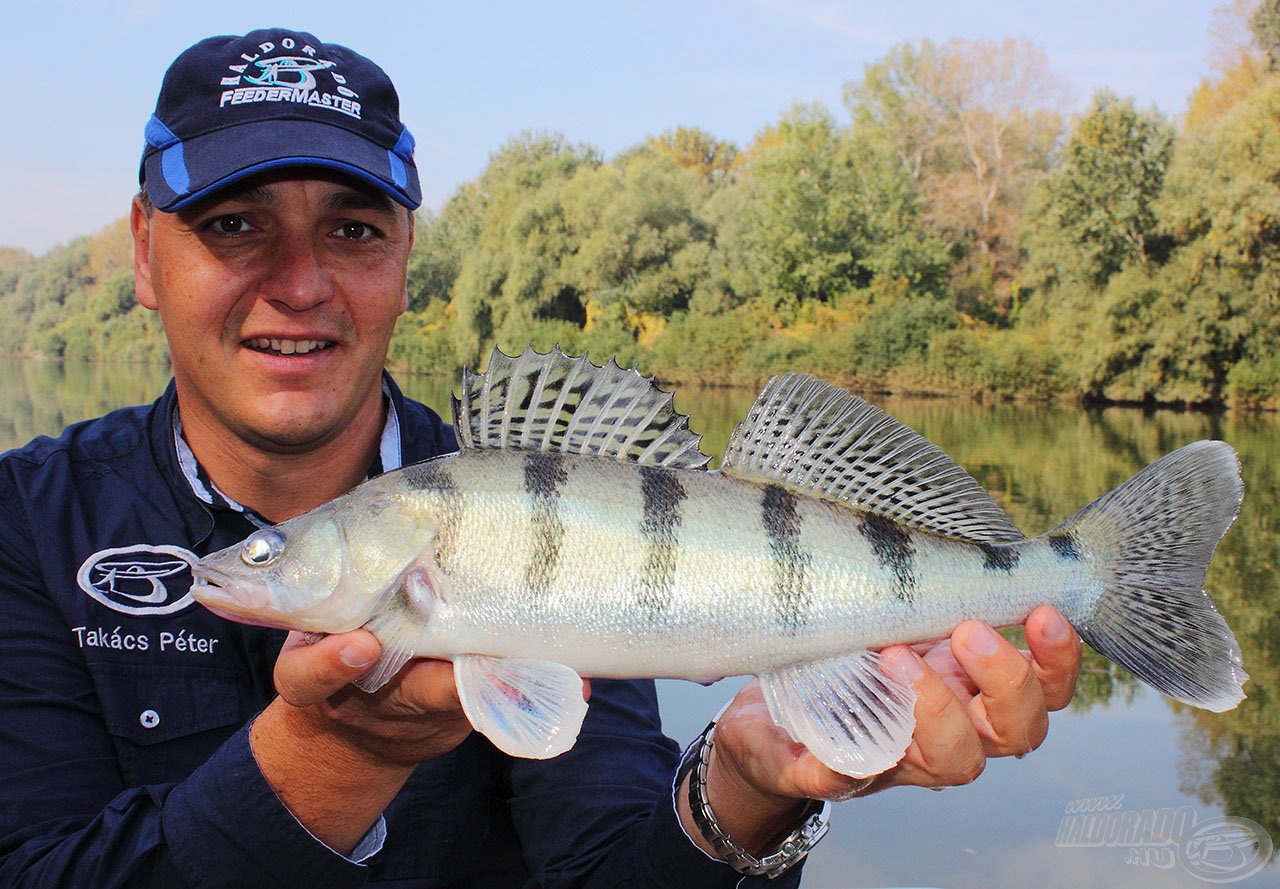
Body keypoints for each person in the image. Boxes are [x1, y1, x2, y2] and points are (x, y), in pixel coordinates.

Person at [0, 28, 1082, 888]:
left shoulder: (505, 511)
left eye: (353, 230)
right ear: (145, 252)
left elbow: (609, 861)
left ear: (406, 257)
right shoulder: (21, 523)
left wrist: (751, 787)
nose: (298, 283)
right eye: (233, 224)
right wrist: (337, 757)